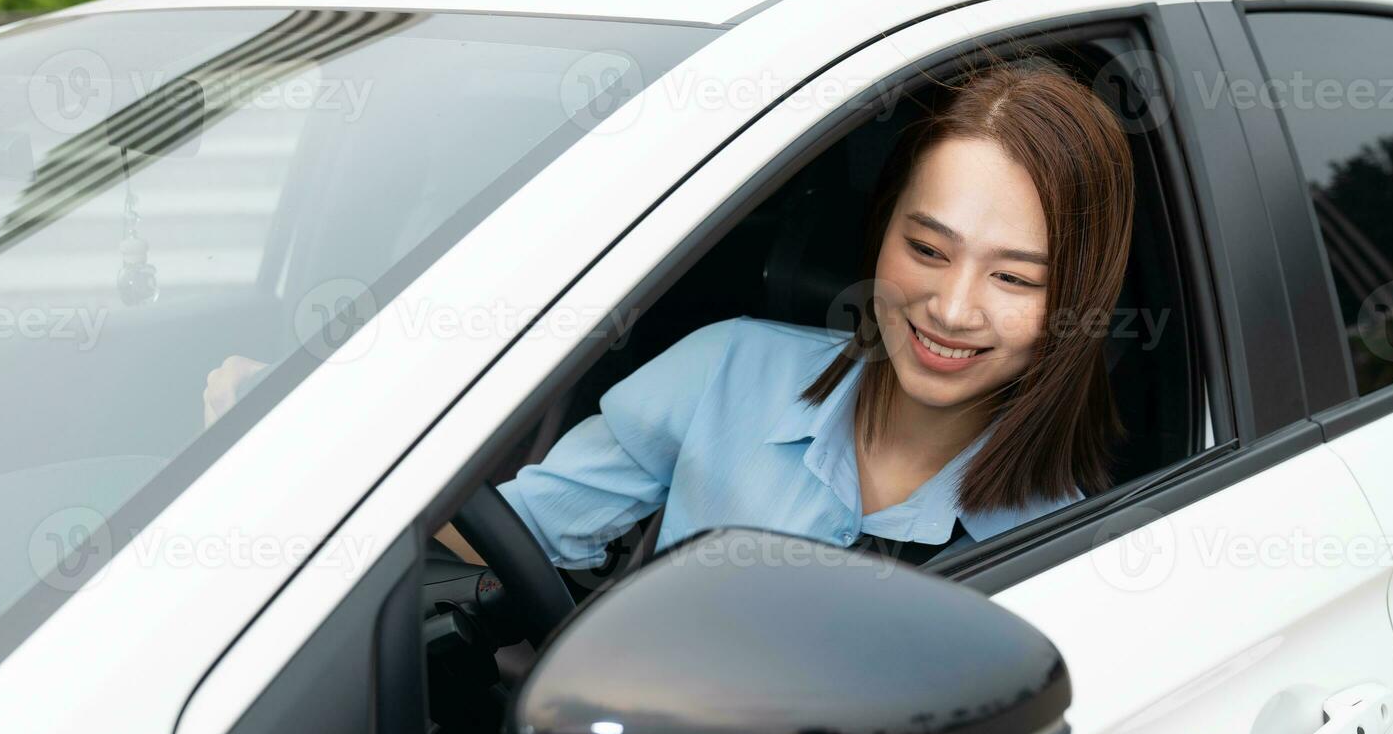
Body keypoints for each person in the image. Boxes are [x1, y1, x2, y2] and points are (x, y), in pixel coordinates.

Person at [204, 54, 1135, 570]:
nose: (952, 306)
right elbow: (518, 534)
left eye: (1016, 279)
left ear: (1078, 298)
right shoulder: (726, 370)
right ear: (879, 233)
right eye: (925, 249)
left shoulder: (1076, 538)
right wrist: (303, 450)